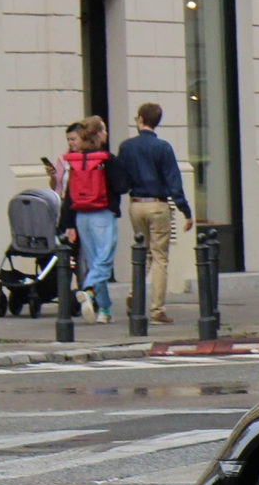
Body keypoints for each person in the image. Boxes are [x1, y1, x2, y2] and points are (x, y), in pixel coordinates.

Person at [115, 102, 194, 325]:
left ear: (140, 119)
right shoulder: (163, 147)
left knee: (143, 253)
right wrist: (185, 211)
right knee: (160, 257)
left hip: (136, 204)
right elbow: (173, 181)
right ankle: (157, 309)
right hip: (158, 204)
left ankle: (133, 294)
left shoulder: (126, 147)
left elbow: (121, 179)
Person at [42, 116, 116, 322]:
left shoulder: (78, 162)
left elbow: (70, 194)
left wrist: (68, 223)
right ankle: (89, 293)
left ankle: (103, 309)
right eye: (68, 140)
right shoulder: (100, 159)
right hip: (92, 214)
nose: (71, 143)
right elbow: (121, 185)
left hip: (77, 214)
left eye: (73, 139)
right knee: (101, 259)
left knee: (92, 261)